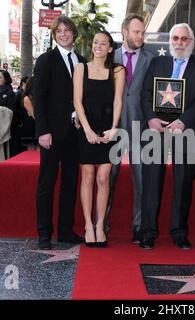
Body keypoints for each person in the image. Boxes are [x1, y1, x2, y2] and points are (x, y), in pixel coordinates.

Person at [139, 23, 195, 250]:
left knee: (183, 183)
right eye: (176, 38)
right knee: (152, 181)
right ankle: (148, 232)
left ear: (191, 42)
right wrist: (151, 118)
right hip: (156, 130)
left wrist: (183, 121)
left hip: (187, 131)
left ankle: (179, 232)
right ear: (170, 41)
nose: (180, 43)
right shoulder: (157, 62)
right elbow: (145, 94)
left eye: (184, 39)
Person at [33, 16, 87, 250]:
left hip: (75, 134)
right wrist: (42, 131)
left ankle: (65, 231)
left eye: (67, 30)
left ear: (74, 34)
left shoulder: (82, 61)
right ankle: (44, 233)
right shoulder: (46, 60)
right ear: (55, 35)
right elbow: (39, 98)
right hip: (52, 135)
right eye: (59, 31)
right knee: (47, 183)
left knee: (70, 184)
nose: (63, 34)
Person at [102, 14, 154, 243]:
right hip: (112, 128)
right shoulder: (107, 58)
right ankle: (101, 224)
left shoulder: (152, 60)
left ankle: (139, 226)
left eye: (143, 32)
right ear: (124, 32)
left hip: (141, 129)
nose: (140, 36)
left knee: (142, 178)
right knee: (107, 177)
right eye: (136, 32)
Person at [73, 31, 125, 247]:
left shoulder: (117, 70)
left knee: (103, 178)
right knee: (87, 176)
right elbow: (77, 102)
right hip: (86, 128)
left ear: (111, 48)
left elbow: (118, 102)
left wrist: (114, 128)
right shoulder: (81, 68)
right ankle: (87, 225)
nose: (98, 46)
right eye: (95, 42)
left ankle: (100, 224)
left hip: (108, 131)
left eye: (104, 43)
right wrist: (86, 130)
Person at [10, 76, 29, 156]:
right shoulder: (19, 94)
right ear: (24, 83)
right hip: (20, 124)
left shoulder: (24, 94)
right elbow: (15, 111)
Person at [0, 69, 15, 160]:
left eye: (0, 78)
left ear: (6, 79)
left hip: (3, 126)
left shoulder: (10, 93)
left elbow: (10, 111)